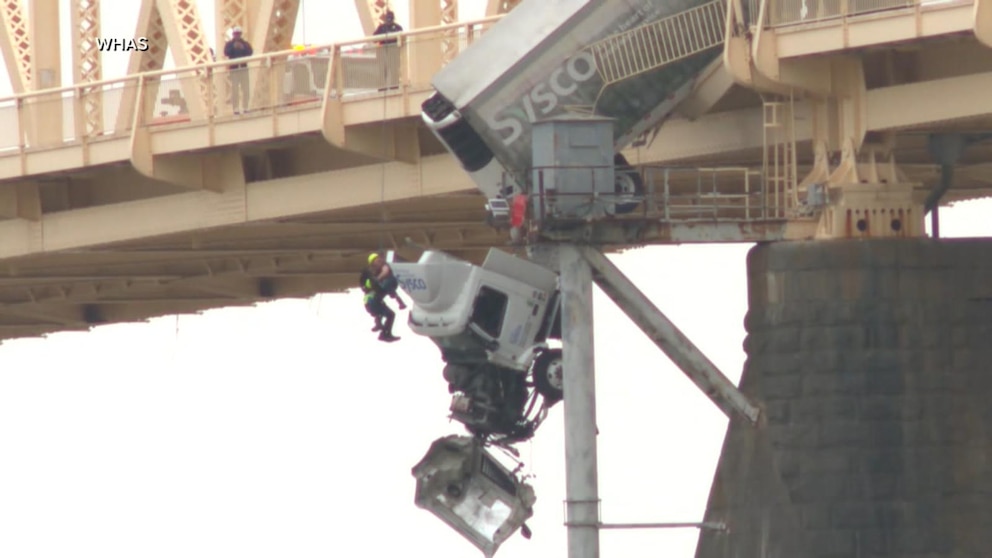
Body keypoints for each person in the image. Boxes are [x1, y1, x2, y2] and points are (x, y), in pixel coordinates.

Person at [360, 252, 405, 342]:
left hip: (371, 302)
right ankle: (383, 332)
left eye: (379, 259)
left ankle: (382, 330)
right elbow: (385, 272)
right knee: (388, 314)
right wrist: (399, 301)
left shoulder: (376, 275)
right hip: (371, 301)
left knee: (388, 314)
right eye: (376, 260)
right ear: (373, 264)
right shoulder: (380, 272)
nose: (379, 261)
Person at [223, 26, 253, 114]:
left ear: (241, 34)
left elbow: (250, 52)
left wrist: (242, 48)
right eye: (235, 34)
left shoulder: (245, 44)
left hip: (243, 68)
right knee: (235, 89)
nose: (237, 36)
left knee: (245, 89)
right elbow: (226, 52)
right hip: (234, 70)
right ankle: (235, 108)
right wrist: (233, 48)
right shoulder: (229, 44)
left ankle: (245, 107)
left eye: (238, 34)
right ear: (233, 35)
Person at [373, 11, 403, 90]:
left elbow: (402, 39)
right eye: (388, 18)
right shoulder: (382, 28)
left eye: (390, 18)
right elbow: (374, 39)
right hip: (384, 52)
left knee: (393, 70)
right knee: (383, 70)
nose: (389, 20)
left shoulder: (397, 28)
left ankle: (394, 87)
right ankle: (382, 88)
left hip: (393, 52)